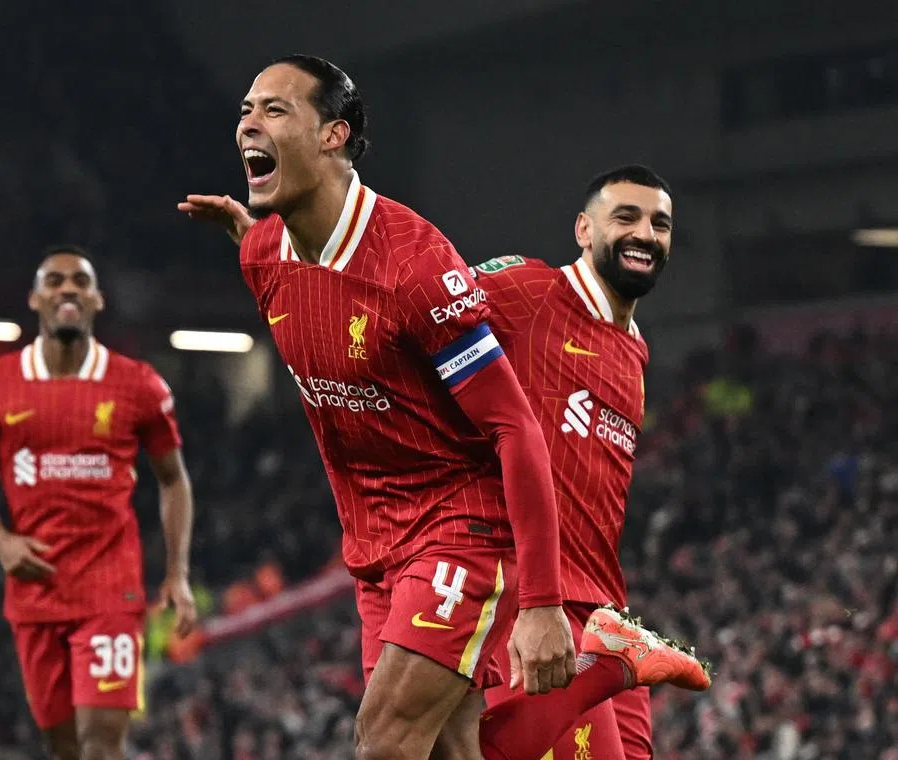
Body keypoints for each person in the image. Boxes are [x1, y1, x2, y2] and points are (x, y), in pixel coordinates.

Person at [178, 55, 706, 759]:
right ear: (585, 229)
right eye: (246, 108)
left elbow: (511, 420)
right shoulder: (267, 257)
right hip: (379, 547)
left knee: (384, 743)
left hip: (466, 534)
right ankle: (608, 664)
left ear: (334, 135)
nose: (249, 121)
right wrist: (249, 234)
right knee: (452, 751)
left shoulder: (419, 268)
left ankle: (604, 664)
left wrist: (542, 600)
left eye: (275, 109)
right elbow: (306, 275)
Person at [475, 165, 691, 760]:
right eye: (626, 217)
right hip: (533, 602)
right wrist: (302, 254)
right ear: (583, 229)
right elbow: (420, 306)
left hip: (605, 614)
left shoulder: (635, 349)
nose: (645, 234)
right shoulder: (529, 291)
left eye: (660, 224)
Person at [0, 247, 197, 760]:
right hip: (35, 592)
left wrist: (177, 573)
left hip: (111, 588)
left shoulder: (139, 385)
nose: (68, 289)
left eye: (81, 281)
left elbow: (173, 479)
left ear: (98, 300)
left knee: (100, 743)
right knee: (62, 747)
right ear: (34, 298)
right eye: (55, 280)